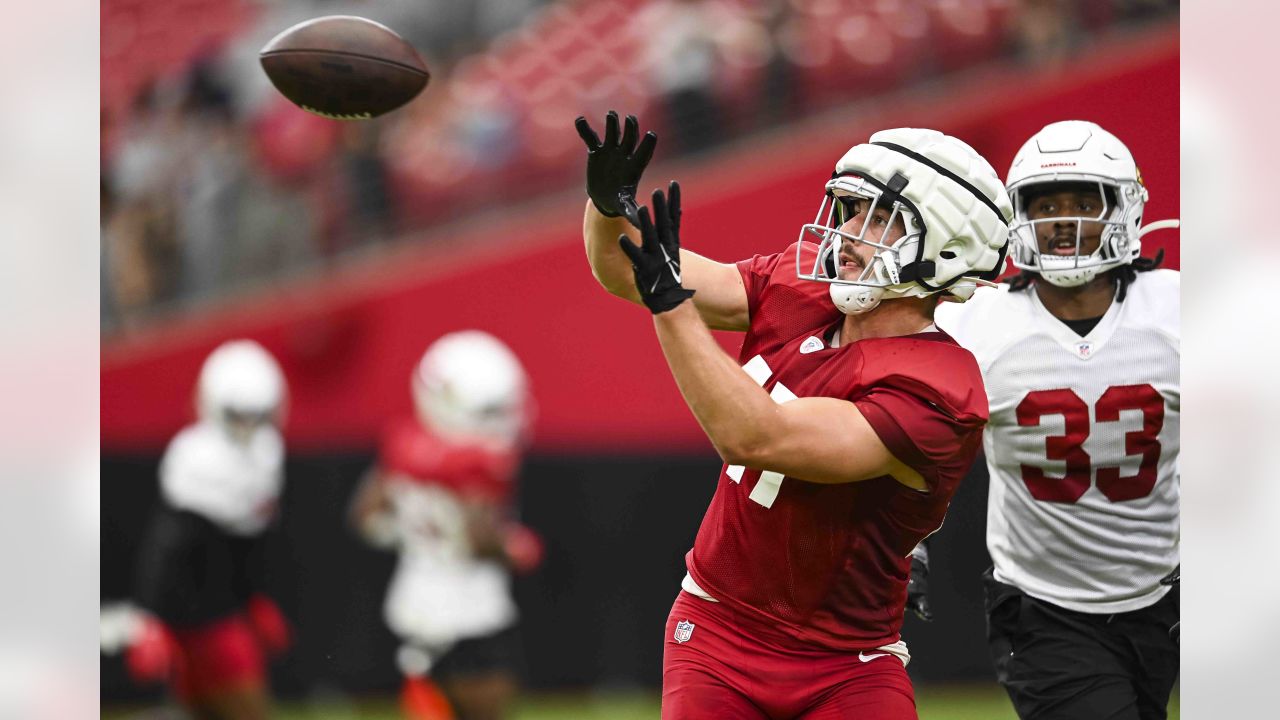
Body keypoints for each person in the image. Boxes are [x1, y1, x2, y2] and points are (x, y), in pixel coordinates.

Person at [575, 111, 1012, 719]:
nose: (851, 230)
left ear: (944, 248)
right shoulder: (802, 289)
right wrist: (605, 204)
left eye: (879, 217)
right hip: (718, 630)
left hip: (847, 663)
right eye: (852, 209)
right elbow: (627, 270)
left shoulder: (939, 387)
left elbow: (756, 437)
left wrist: (671, 306)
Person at [931, 120, 1181, 719]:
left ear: (1124, 207)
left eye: (1081, 202)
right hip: (1044, 607)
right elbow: (907, 438)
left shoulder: (1176, 308)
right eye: (1046, 205)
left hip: (1170, 595)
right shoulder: (975, 322)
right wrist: (903, 541)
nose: (1063, 222)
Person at [349, 330, 542, 720]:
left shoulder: (406, 446)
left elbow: (365, 517)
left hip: (414, 609)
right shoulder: (479, 463)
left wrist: (404, 534)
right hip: (472, 614)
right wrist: (515, 548)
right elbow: (478, 538)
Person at [130, 339, 292, 720]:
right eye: (239, 415)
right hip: (196, 616)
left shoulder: (268, 453)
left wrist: (253, 598)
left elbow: (247, 544)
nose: (248, 427)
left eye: (256, 415)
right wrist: (152, 620)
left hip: (228, 609)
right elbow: (170, 547)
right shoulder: (195, 458)